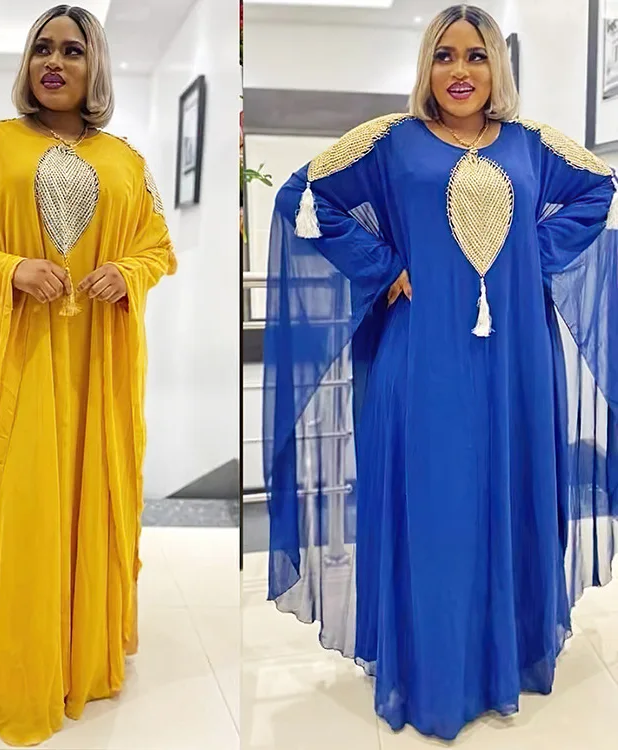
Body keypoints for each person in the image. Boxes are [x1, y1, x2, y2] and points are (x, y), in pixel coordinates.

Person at [263, 3, 618, 741]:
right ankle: (434, 673)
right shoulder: (391, 141)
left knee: (511, 487)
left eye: (476, 55)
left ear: (497, 66)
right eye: (446, 56)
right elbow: (303, 195)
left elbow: (599, 189)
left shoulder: (531, 144)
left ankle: (503, 658)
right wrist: (381, 265)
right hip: (423, 350)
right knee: (436, 500)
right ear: (426, 65)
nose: (461, 71)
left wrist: (535, 255)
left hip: (516, 356)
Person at [0, 5, 176, 745]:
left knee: (91, 491)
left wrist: (126, 272)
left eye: (72, 50)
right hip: (19, 362)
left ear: (96, 65)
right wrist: (8, 268)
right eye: (42, 49)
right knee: (23, 498)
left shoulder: (126, 160)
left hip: (97, 367)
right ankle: (22, 662)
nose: (54, 62)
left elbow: (158, 247)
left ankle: (83, 651)